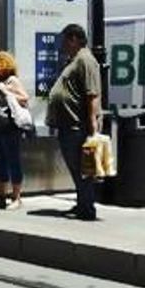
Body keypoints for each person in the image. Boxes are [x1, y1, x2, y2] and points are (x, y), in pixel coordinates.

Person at [46, 24, 101, 221]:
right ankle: (82, 203)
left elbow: (92, 94)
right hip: (69, 125)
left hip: (78, 126)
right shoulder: (75, 60)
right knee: (77, 169)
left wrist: (92, 124)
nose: (62, 45)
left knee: (83, 169)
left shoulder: (85, 59)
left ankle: (87, 208)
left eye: (64, 40)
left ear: (74, 39)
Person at [0, 53, 31, 208]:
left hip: (10, 126)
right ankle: (0, 195)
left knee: (13, 160)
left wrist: (8, 92)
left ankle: (16, 197)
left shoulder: (12, 81)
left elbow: (24, 98)